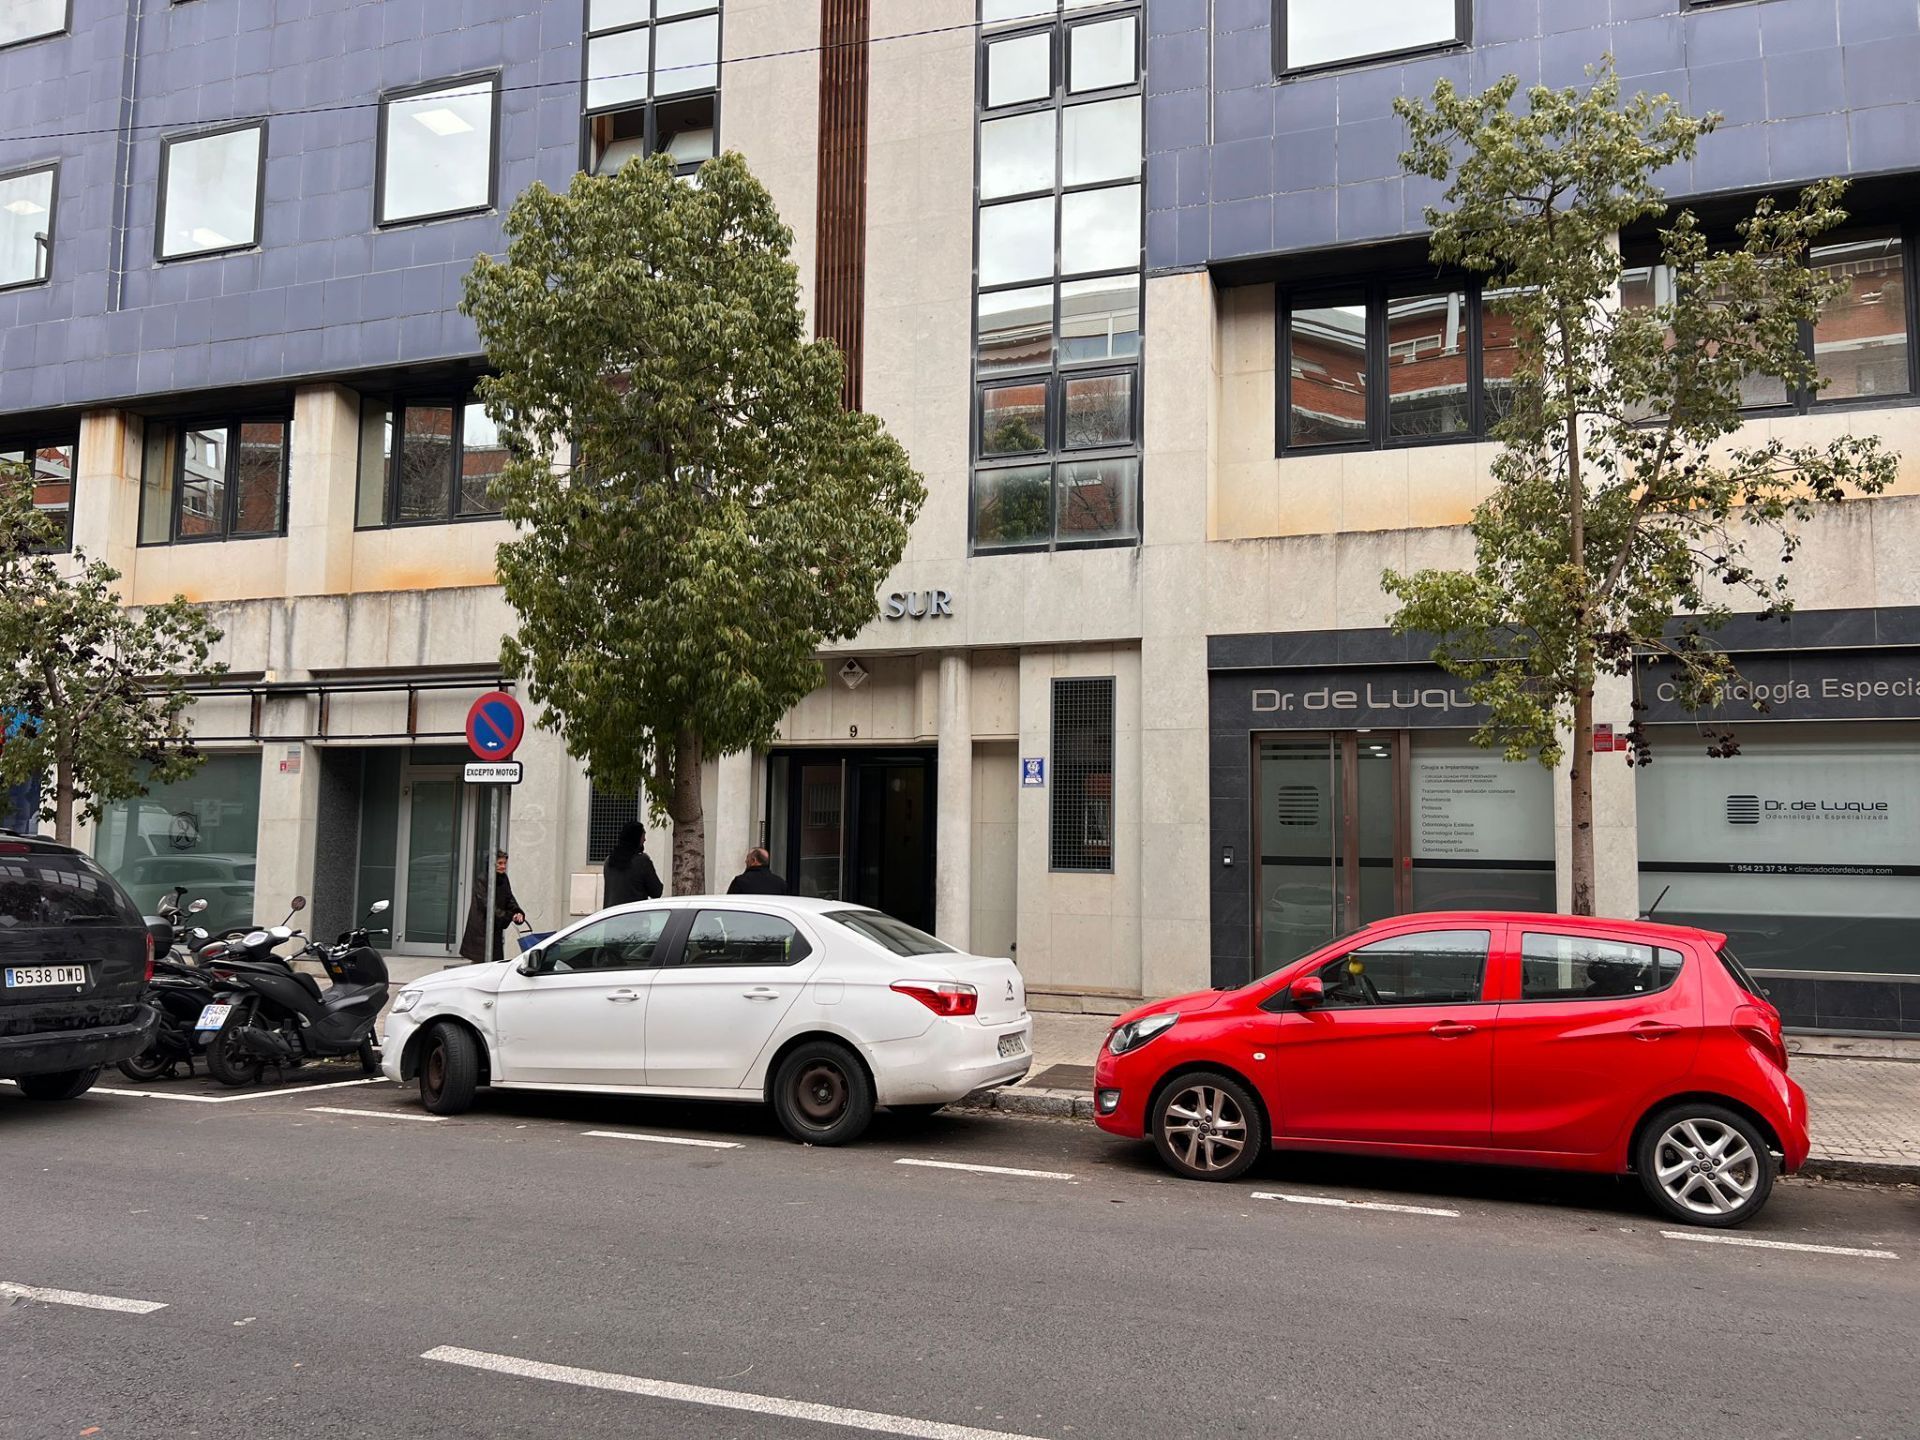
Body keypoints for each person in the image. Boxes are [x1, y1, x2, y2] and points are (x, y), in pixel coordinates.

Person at [458, 850, 525, 963]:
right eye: (499, 863)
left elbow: (509, 898)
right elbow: (487, 905)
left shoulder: (503, 878)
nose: (503, 866)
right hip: (481, 930)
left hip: (495, 929)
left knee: (495, 963)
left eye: (504, 863)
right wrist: (509, 916)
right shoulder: (483, 879)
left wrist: (517, 912)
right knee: (481, 965)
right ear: (491, 864)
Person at [602, 820, 663, 907]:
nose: (645, 840)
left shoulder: (609, 861)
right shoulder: (642, 861)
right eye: (643, 836)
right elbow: (656, 892)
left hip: (611, 916)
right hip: (634, 916)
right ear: (636, 838)